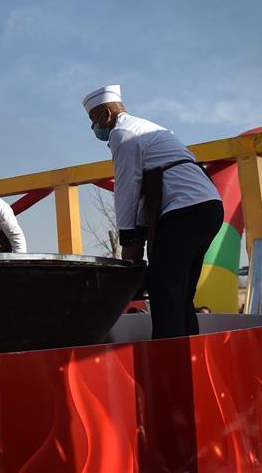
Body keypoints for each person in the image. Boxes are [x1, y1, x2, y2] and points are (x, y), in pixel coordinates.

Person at [82, 85, 223, 339]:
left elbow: (127, 187)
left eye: (93, 120)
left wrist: (128, 241)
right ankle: (189, 347)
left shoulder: (123, 133)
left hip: (185, 210)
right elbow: (147, 195)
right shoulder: (147, 128)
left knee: (163, 288)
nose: (93, 127)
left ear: (106, 114)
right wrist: (140, 236)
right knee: (180, 292)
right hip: (209, 206)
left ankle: (168, 350)